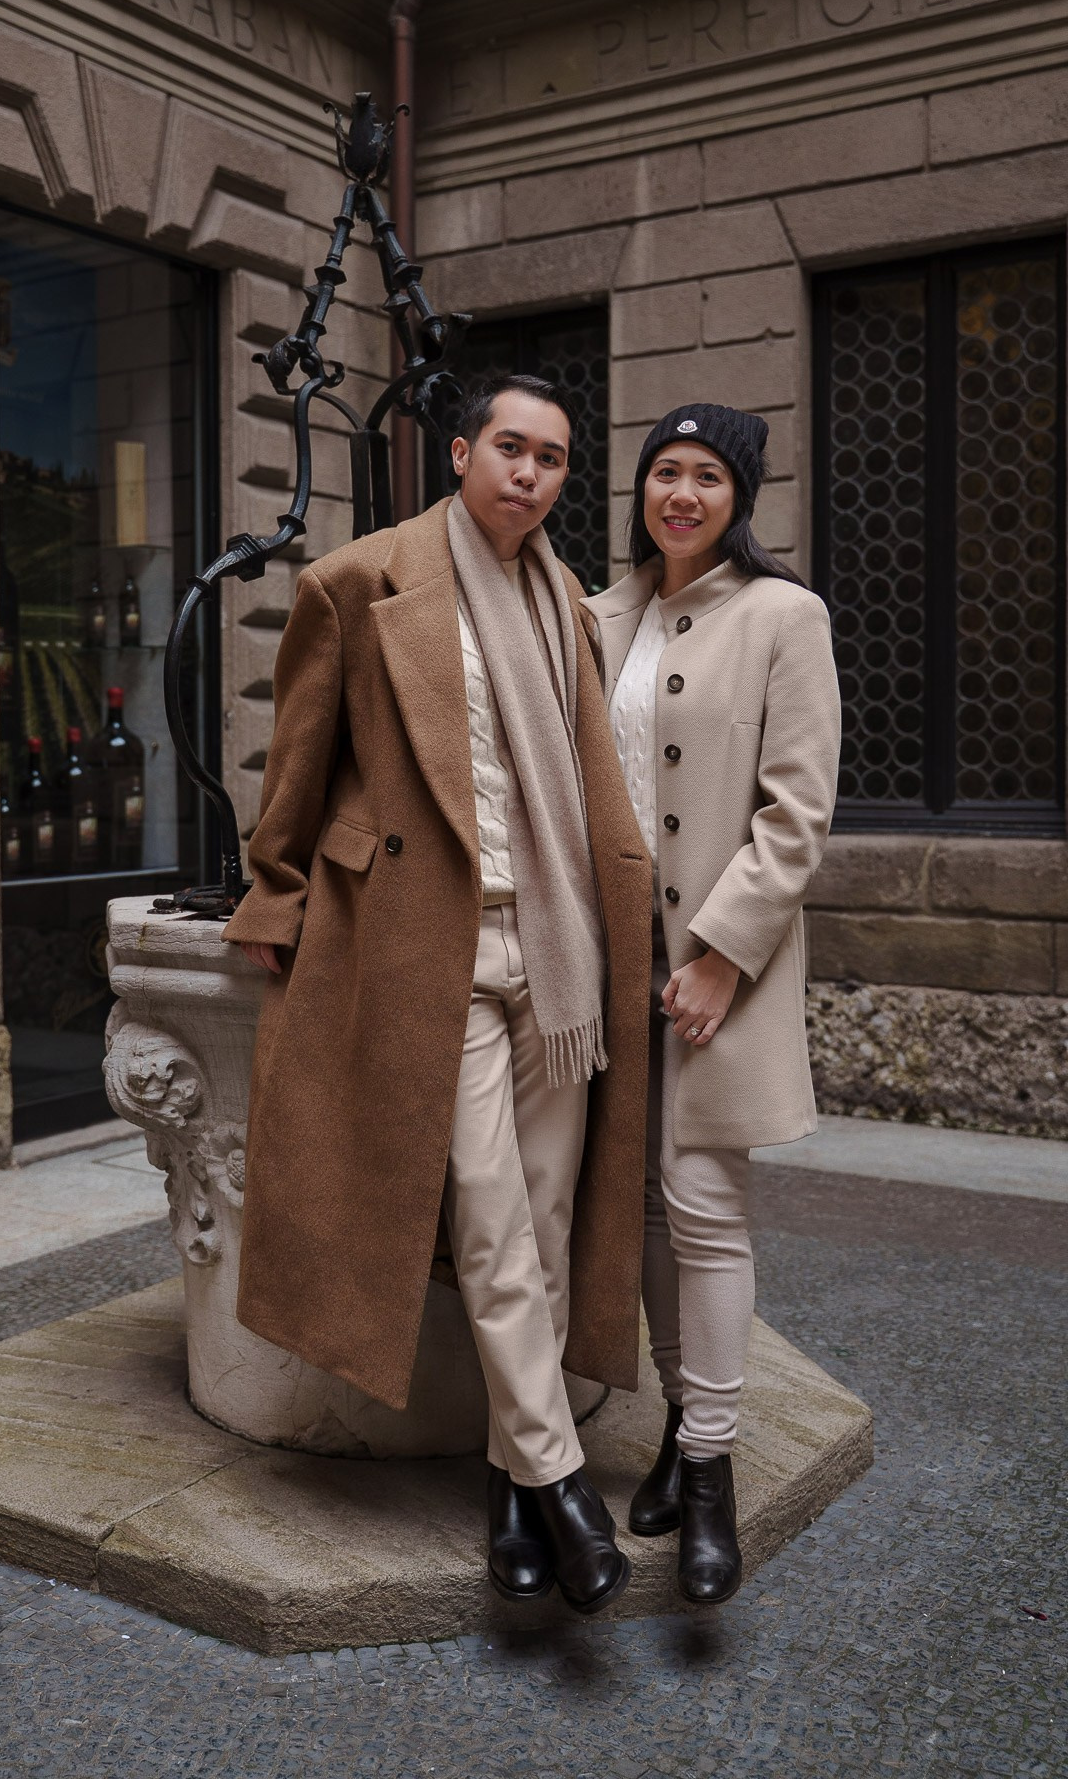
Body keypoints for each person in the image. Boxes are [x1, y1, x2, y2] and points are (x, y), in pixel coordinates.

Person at [223, 373, 651, 1614]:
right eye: (510, 447)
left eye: (552, 458)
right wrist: (273, 894)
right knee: (491, 1222)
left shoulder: (565, 602)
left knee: (547, 1224)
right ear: (460, 453)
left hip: (558, 954)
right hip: (428, 947)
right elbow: (299, 761)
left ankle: (512, 1494)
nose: (529, 473)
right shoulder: (357, 582)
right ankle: (563, 1485)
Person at [582, 403, 841, 1606]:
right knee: (639, 1203)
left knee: (703, 1204)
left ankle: (709, 1477)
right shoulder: (598, 616)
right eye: (663, 472)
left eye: (705, 477)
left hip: (709, 968)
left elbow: (796, 812)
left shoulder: (784, 616)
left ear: (738, 497)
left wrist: (722, 954)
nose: (679, 494)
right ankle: (682, 1437)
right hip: (606, 960)